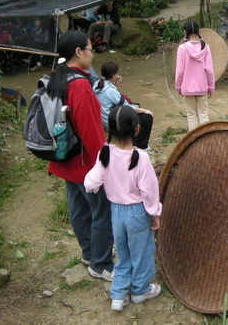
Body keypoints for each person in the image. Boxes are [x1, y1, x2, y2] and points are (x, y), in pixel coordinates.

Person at [46, 30, 115, 282]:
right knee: (102, 212)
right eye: (90, 49)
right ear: (78, 52)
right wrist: (105, 162)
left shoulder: (57, 77)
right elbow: (91, 131)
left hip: (64, 158)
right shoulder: (80, 86)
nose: (92, 54)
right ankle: (101, 263)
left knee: (78, 210)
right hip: (85, 164)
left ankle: (88, 253)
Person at [84, 105, 163, 311]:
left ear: (109, 129)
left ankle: (118, 295)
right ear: (136, 129)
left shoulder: (105, 152)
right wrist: (155, 213)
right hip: (137, 213)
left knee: (123, 252)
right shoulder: (141, 158)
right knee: (142, 252)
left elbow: (91, 183)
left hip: (116, 212)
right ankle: (140, 290)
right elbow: (150, 191)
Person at [93, 61, 154, 150]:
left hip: (103, 118)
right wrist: (145, 111)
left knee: (136, 107)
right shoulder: (111, 91)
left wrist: (115, 85)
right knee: (146, 117)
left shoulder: (97, 84)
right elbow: (128, 107)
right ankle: (141, 145)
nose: (118, 76)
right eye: (117, 74)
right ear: (113, 75)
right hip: (112, 122)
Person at [175, 20, 215, 130]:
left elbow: (180, 71)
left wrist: (178, 86)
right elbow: (210, 70)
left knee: (191, 115)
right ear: (198, 31)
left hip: (187, 88)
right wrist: (211, 87)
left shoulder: (182, 48)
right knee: (203, 115)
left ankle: (194, 141)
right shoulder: (205, 47)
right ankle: (205, 140)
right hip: (202, 87)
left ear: (185, 32)